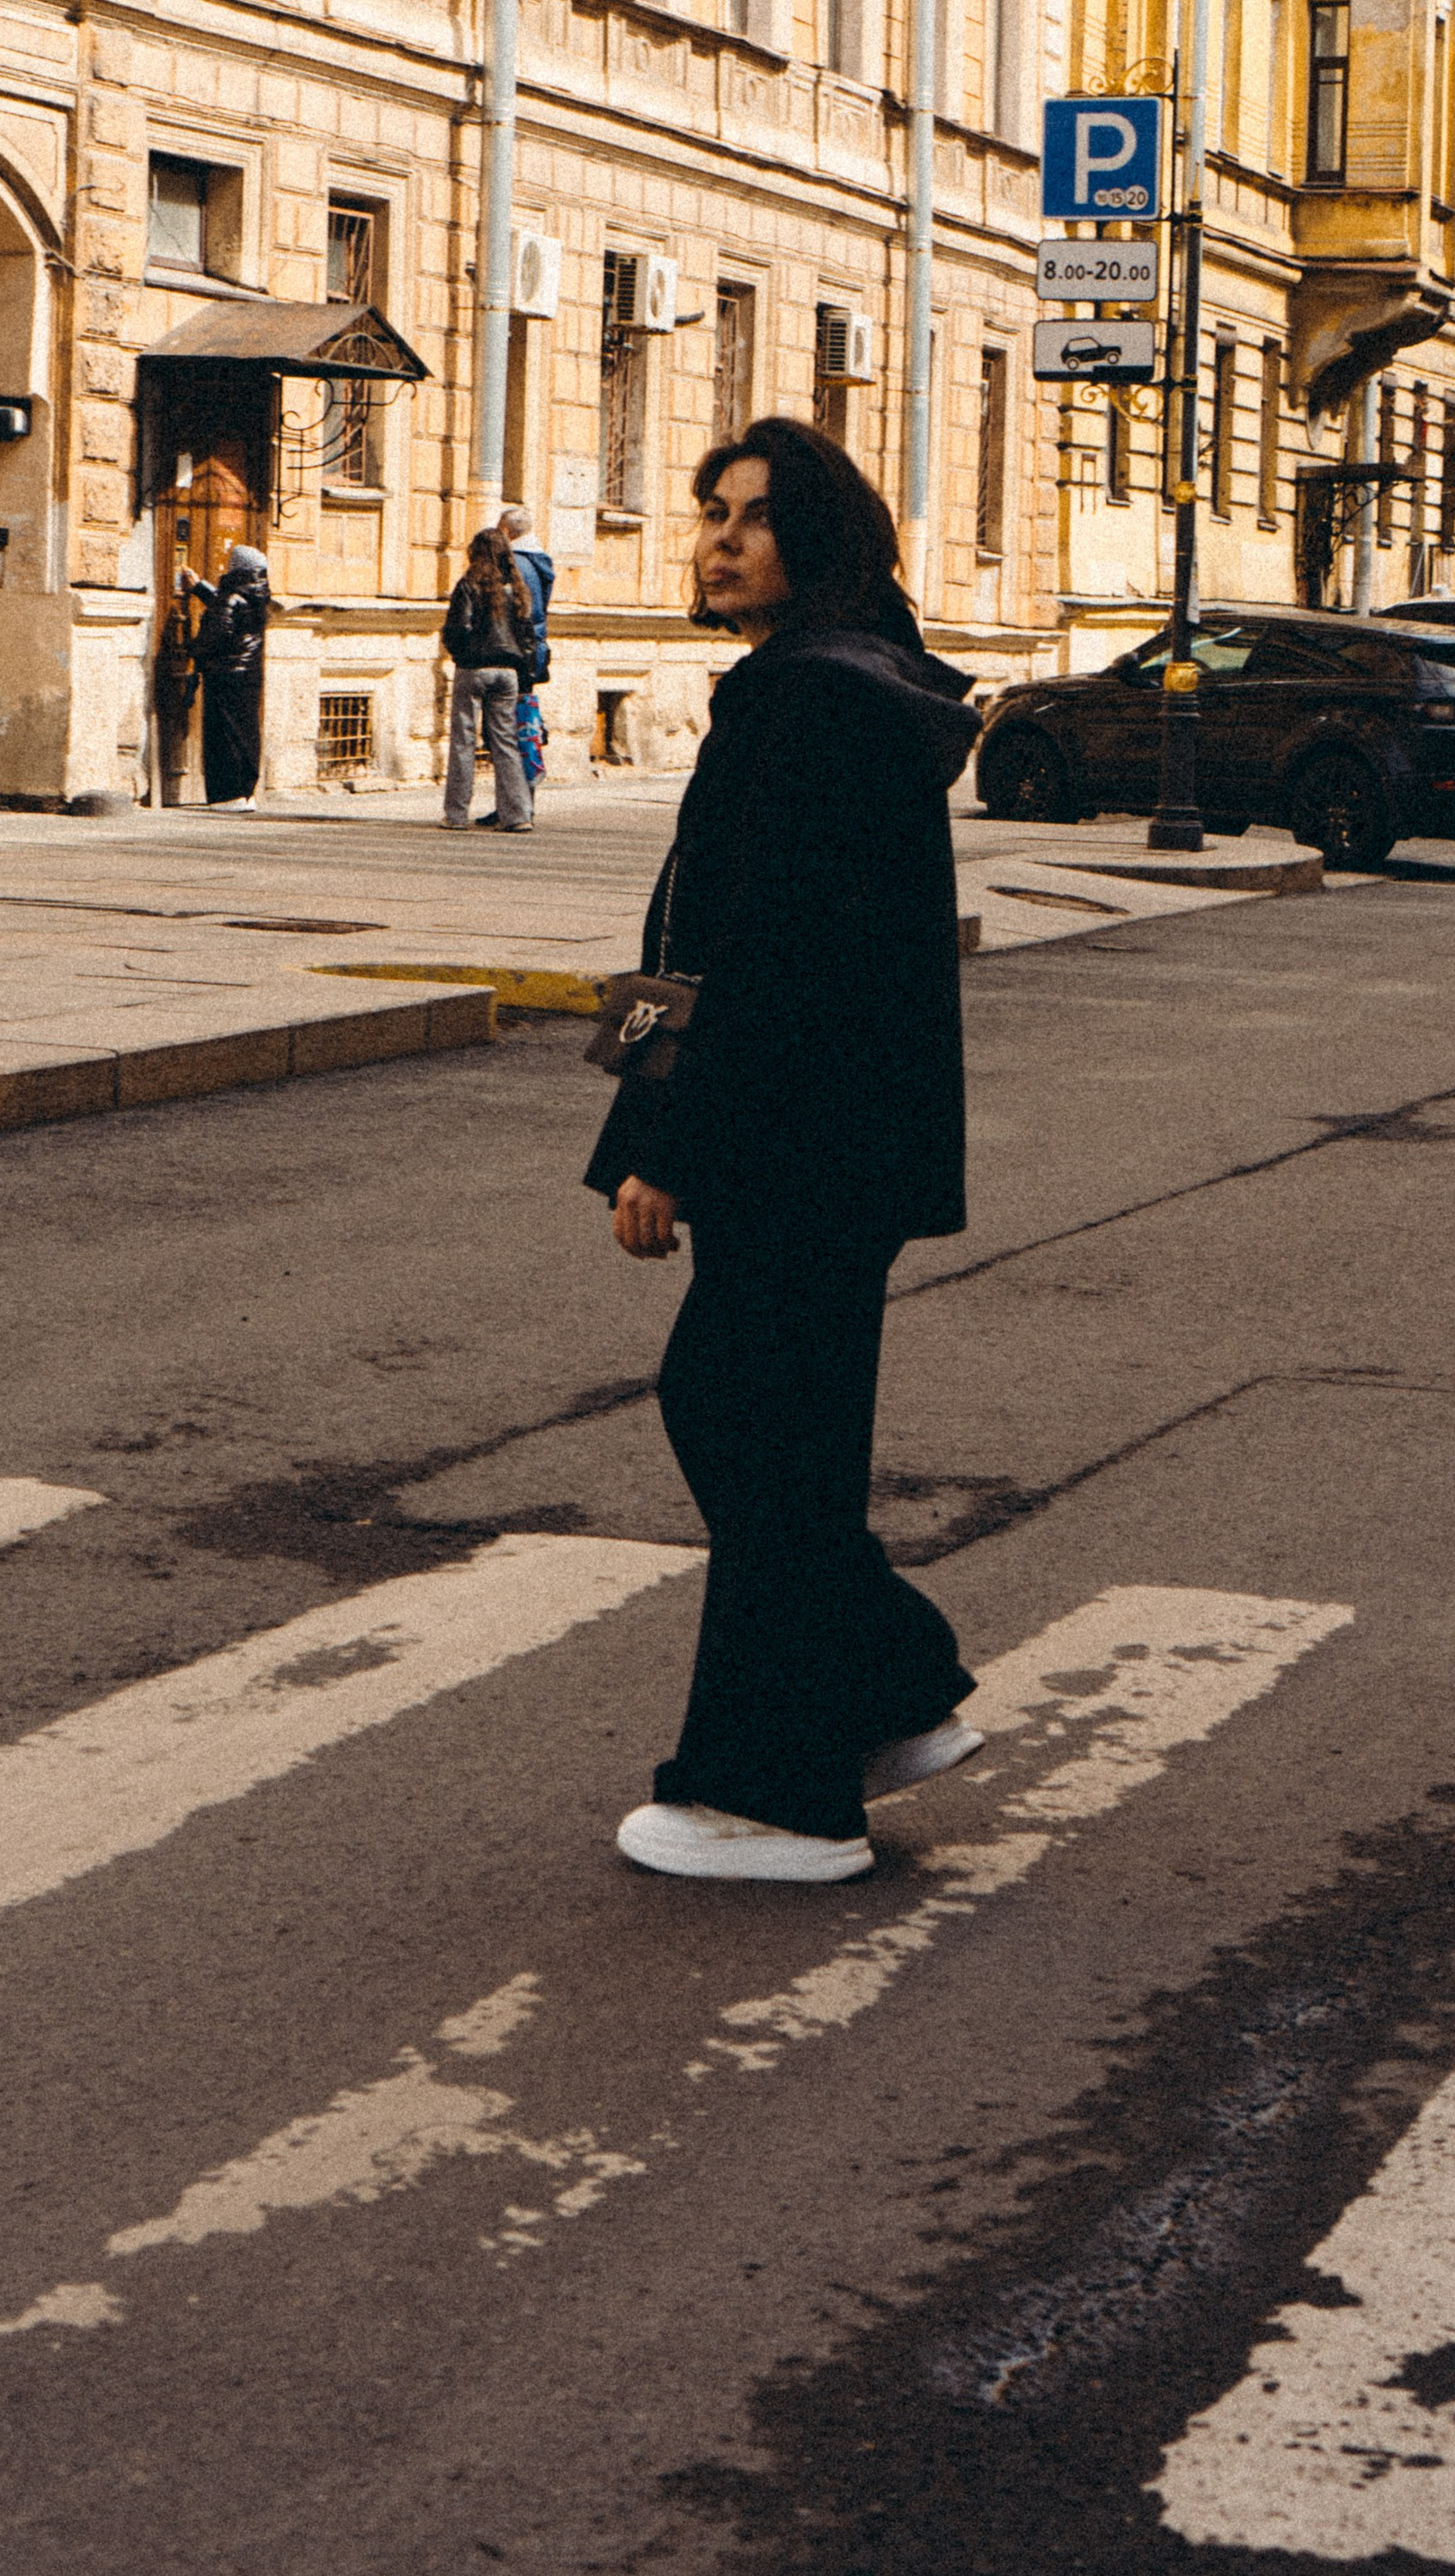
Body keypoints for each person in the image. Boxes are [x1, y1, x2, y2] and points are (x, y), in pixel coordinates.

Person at [586, 416, 984, 1883]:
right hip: (835, 1143)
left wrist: (658, 1148)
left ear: (815, 547)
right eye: (711, 511)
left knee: (746, 1419)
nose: (720, 538)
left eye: (755, 517)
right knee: (773, 1435)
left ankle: (779, 1798)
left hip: (794, 1143)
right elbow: (693, 932)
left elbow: (744, 958)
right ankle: (885, 1689)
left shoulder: (809, 705)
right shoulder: (824, 690)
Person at [442, 529, 536, 832]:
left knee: (463, 742)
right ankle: (517, 815)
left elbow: (459, 628)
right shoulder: (518, 589)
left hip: (473, 669)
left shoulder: (469, 585)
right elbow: (527, 636)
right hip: (508, 672)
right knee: (506, 742)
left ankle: (456, 815)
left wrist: (460, 654)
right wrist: (526, 673)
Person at [180, 543, 270, 807]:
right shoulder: (258, 597)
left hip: (225, 675)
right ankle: (246, 793)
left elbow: (218, 630)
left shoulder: (231, 598)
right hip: (249, 674)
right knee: (245, 732)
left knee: (224, 733)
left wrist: (190, 649)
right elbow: (228, 609)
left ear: (235, 569)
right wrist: (200, 588)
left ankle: (228, 794)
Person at [496, 505, 555, 678]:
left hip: (512, 647)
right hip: (535, 644)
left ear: (506, 531)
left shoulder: (511, 562)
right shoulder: (539, 560)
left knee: (507, 702)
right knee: (525, 702)